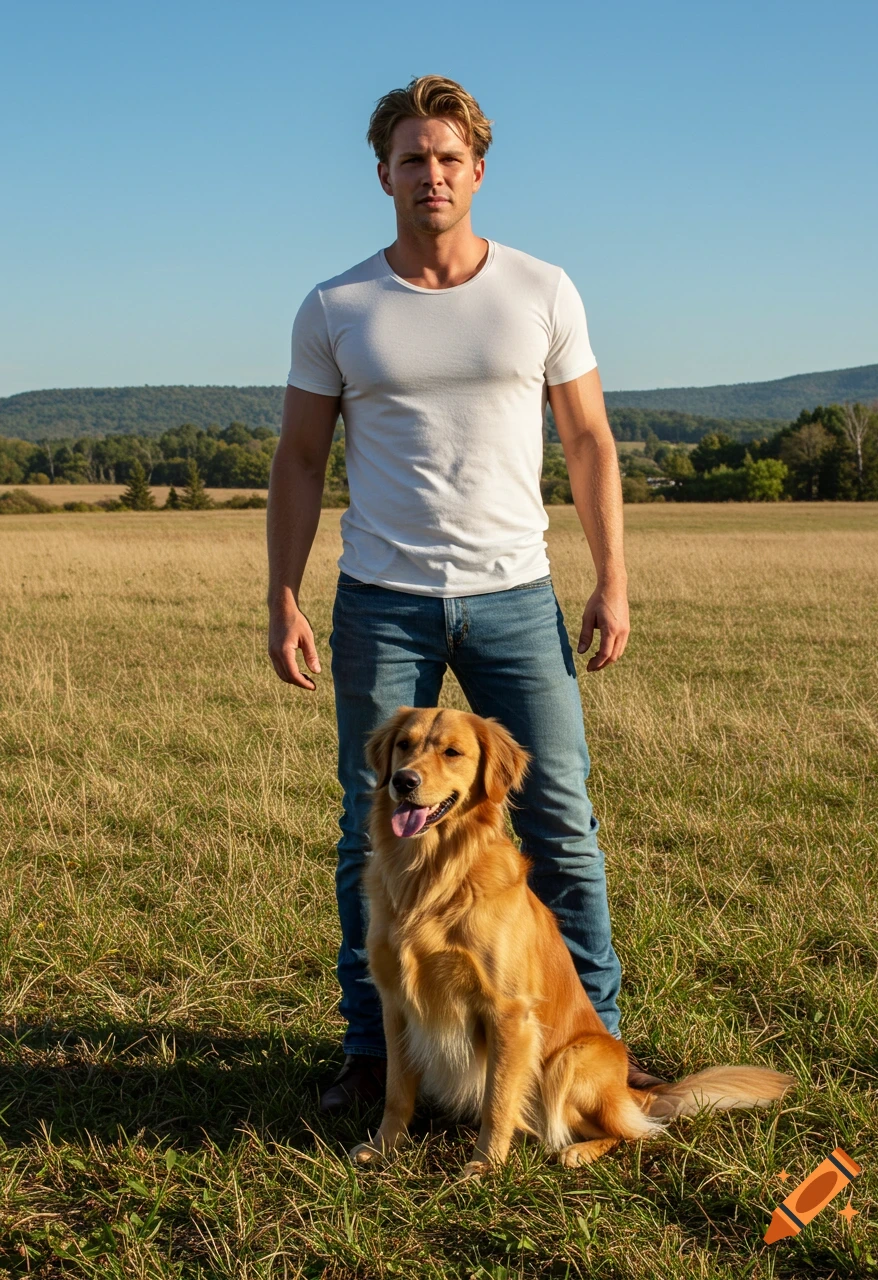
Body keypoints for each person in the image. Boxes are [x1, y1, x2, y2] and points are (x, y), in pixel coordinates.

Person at [267, 75, 662, 1114]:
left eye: (447, 157)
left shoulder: (540, 289)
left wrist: (610, 577)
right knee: (372, 822)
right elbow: (301, 459)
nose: (430, 174)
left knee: (561, 819)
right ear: (382, 174)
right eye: (411, 158)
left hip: (515, 593)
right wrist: (283, 594)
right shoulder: (336, 306)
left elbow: (586, 440)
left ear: (476, 171)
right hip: (381, 596)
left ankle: (589, 1044)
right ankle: (369, 1052)